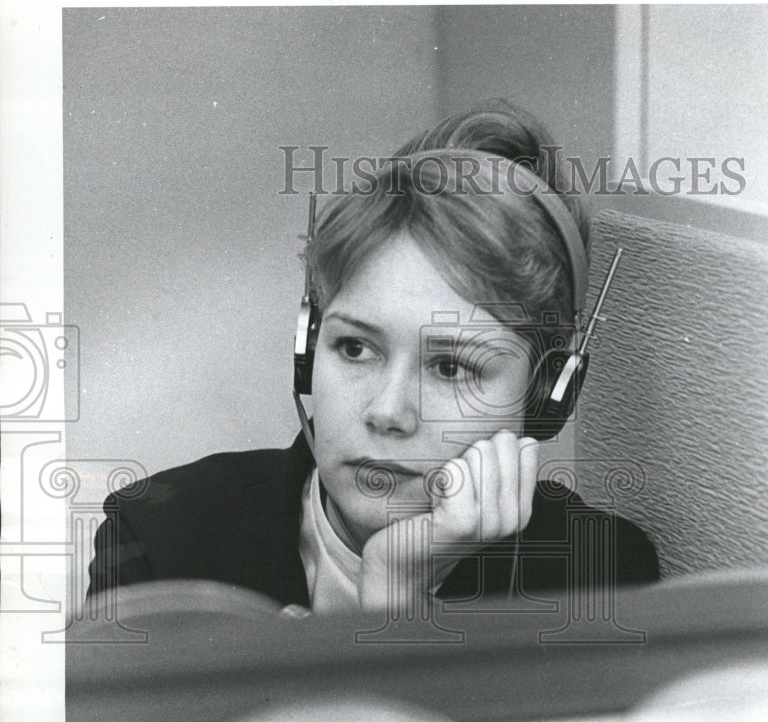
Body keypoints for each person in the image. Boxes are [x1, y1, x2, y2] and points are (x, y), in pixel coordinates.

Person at [86, 100, 658, 616]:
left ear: (545, 396)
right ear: (309, 350)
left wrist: (400, 596)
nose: (387, 412)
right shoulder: (159, 533)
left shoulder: (598, 573)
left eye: (451, 367)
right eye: (355, 348)